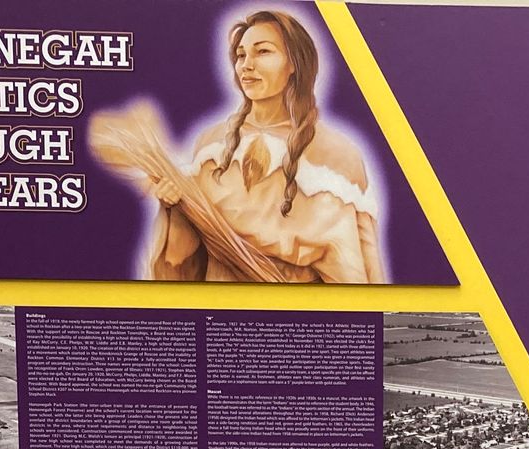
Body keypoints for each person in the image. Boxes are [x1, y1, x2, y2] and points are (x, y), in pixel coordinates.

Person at [143, 10, 385, 283]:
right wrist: (174, 208)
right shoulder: (211, 145)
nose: (247, 65)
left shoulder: (338, 153)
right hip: (223, 314)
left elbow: (357, 277)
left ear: (294, 63)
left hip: (300, 319)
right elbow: (183, 266)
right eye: (241, 55)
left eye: (263, 52)